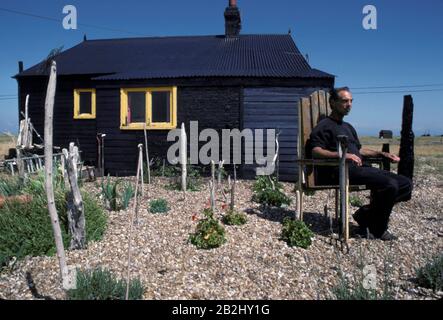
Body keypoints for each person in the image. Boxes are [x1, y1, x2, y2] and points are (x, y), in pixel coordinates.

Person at [308, 87, 412, 241]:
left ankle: (365, 214)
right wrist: (342, 155)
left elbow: (359, 150)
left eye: (350, 101)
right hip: (339, 170)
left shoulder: (348, 127)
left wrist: (381, 154)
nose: (349, 104)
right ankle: (378, 229)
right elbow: (315, 151)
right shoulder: (324, 126)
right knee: (390, 184)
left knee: (405, 184)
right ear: (332, 102)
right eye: (344, 101)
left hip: (358, 168)